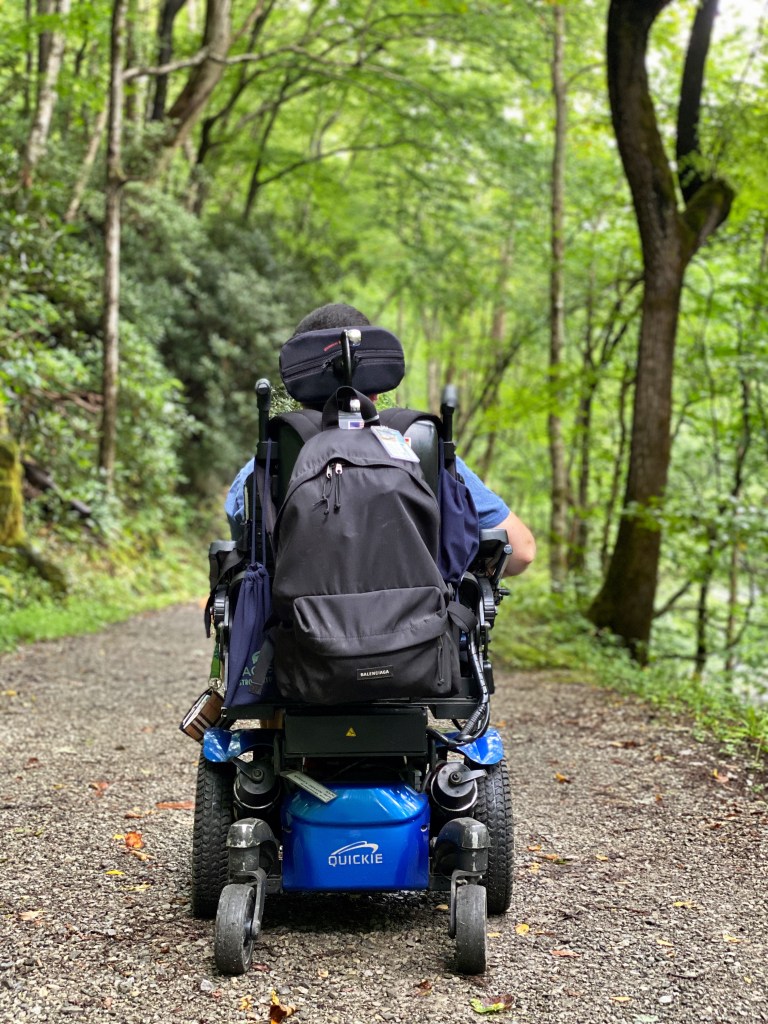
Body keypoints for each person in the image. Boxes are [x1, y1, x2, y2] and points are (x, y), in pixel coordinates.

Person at [225, 303, 536, 577]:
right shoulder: (421, 451)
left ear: (299, 390)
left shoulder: (262, 470)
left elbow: (252, 560)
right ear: (375, 387)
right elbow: (521, 552)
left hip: (294, 639)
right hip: (421, 639)